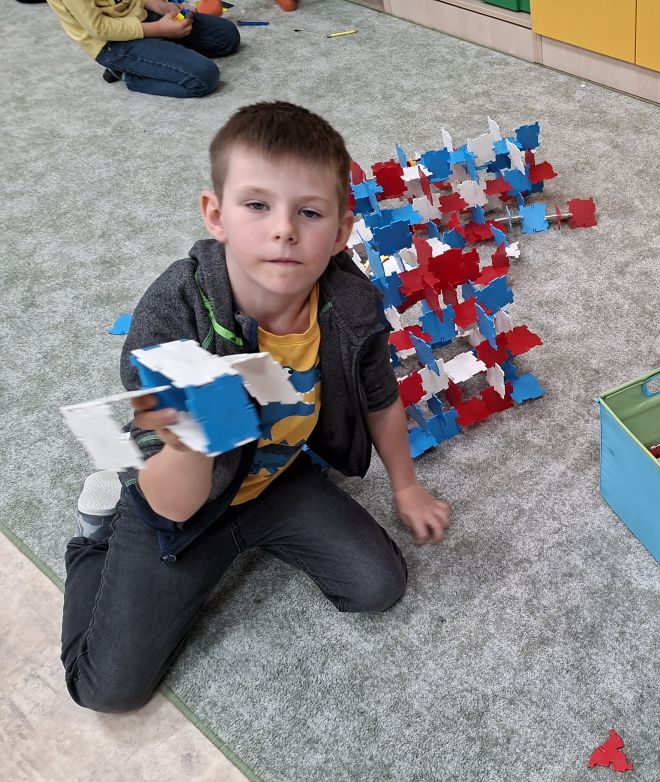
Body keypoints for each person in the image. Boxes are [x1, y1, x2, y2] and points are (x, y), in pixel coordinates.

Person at [62, 101, 451, 713]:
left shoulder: (350, 304)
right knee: (107, 691)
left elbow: (379, 398)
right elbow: (172, 503)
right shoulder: (172, 316)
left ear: (342, 232)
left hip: (277, 479)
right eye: (257, 205)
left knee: (377, 585)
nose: (284, 230)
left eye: (310, 212)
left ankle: (248, 528)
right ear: (216, 215)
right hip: (181, 502)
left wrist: (405, 486)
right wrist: (193, 439)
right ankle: (94, 537)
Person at [47, 0, 240, 98]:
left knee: (227, 37)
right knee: (204, 78)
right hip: (112, 43)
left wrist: (162, 6)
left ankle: (163, 53)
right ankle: (127, 74)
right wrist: (160, 29)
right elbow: (99, 28)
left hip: (143, 17)